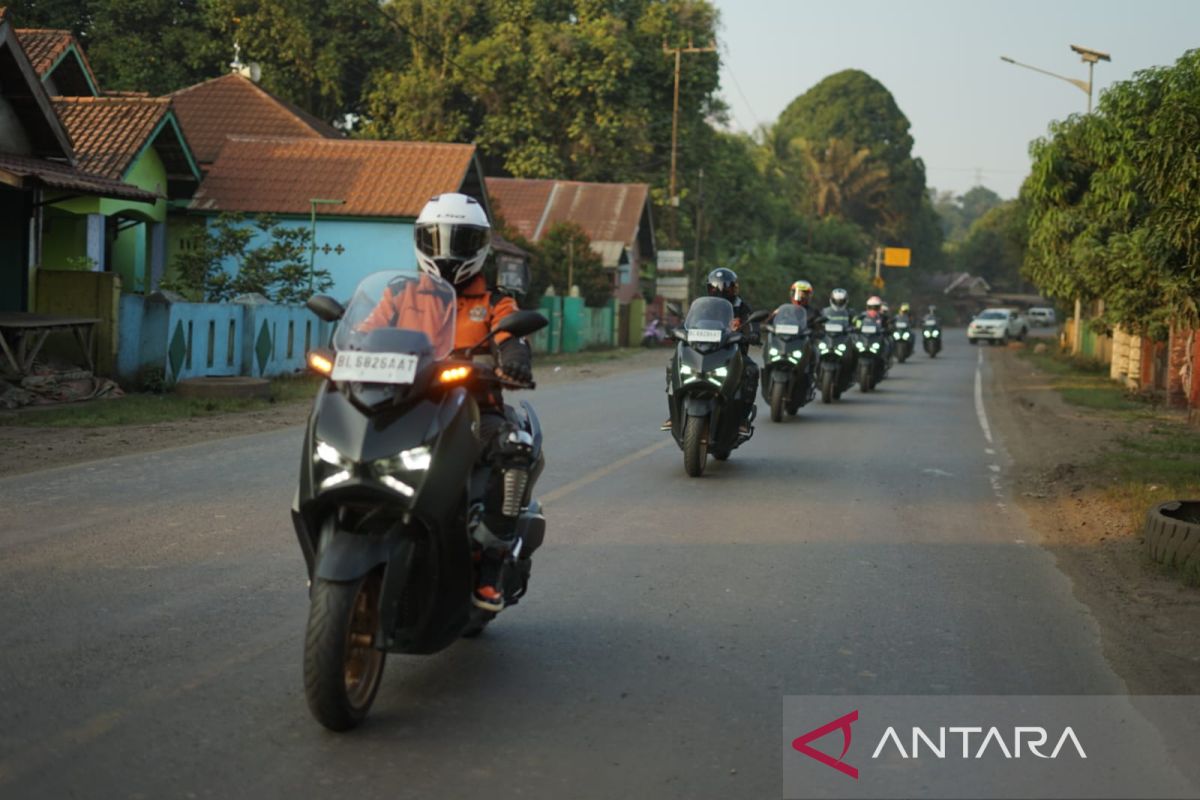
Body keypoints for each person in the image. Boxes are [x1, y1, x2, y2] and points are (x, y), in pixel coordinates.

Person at [362, 192, 534, 612]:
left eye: (460, 241)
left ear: (479, 246)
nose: (448, 252)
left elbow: (512, 336)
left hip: (475, 409)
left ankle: (491, 564)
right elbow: (367, 332)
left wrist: (512, 358)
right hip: (403, 404)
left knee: (515, 451)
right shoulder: (399, 295)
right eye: (438, 239)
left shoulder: (495, 302)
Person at [706, 267, 758, 436]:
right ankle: (674, 411)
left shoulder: (742, 307)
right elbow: (691, 322)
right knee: (674, 364)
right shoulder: (705, 306)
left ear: (734, 288)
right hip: (706, 352)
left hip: (735, 354)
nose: (721, 291)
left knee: (751, 371)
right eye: (717, 287)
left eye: (726, 287)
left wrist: (753, 334)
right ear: (710, 288)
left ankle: (743, 418)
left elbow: (752, 324)